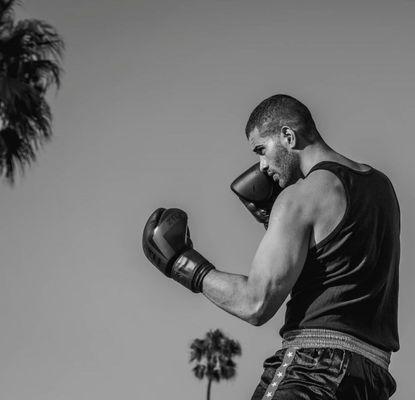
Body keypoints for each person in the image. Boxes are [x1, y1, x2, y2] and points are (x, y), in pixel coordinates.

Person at [142, 94, 400, 399]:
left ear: (288, 136)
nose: (262, 165)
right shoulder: (382, 187)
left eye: (262, 150)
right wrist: (272, 224)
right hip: (372, 378)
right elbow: (341, 265)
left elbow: (255, 303)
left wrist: (182, 264)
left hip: (313, 370)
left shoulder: (299, 198)